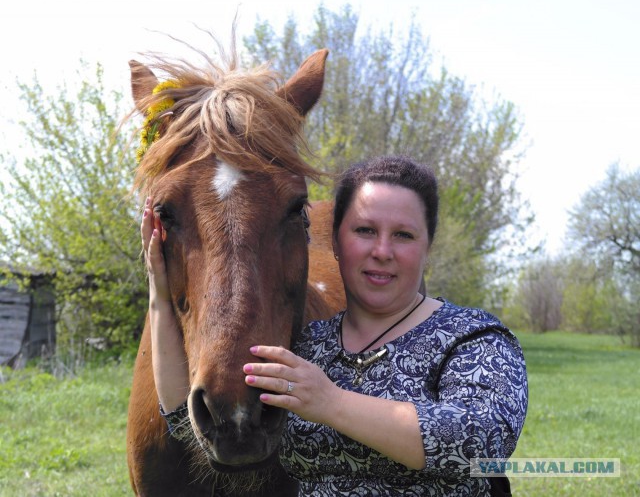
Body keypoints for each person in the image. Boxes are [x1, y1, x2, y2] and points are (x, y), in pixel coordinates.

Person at [141, 155, 528, 496]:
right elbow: (181, 420)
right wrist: (159, 290)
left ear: (427, 247)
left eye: (404, 235)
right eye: (364, 231)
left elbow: (482, 444)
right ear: (333, 241)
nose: (382, 251)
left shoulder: (475, 338)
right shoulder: (311, 343)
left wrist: (331, 402)